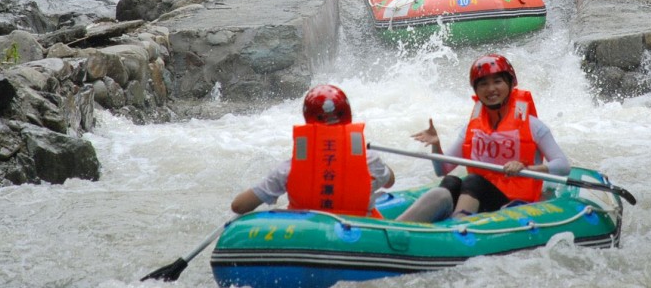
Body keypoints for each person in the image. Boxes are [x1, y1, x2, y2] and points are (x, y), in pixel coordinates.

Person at [396, 54, 570, 223]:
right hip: (478, 197)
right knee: (451, 181)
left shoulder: (533, 126)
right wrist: (436, 145)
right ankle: (398, 226)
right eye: (483, 84)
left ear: (510, 84)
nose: (491, 89)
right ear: (476, 90)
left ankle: (457, 226)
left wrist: (528, 168)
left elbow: (563, 166)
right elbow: (443, 169)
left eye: (497, 82)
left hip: (514, 203)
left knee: (473, 181)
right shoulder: (471, 128)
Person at [230, 84, 395, 217]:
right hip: (359, 238)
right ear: (348, 114)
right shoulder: (370, 160)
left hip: (305, 238)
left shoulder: (289, 168)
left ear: (307, 118)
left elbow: (239, 206)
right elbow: (390, 182)